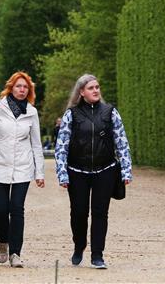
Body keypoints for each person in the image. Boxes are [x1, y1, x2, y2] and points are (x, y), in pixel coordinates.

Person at [54, 74, 132, 269]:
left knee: (100, 213)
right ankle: (79, 245)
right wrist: (62, 172)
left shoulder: (110, 112)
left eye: (97, 87)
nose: (96, 90)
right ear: (81, 92)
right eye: (91, 88)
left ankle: (97, 255)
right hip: (77, 171)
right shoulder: (71, 115)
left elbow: (121, 142)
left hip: (104, 170)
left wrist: (126, 170)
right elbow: (61, 145)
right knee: (79, 213)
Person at [0, 71, 45, 268]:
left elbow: (36, 145)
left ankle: (15, 253)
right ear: (11, 87)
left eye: (25, 87)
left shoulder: (32, 112)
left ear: (29, 90)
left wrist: (39, 173)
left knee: (17, 209)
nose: (22, 90)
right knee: (1, 209)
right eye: (18, 86)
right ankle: (3, 241)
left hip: (23, 168)